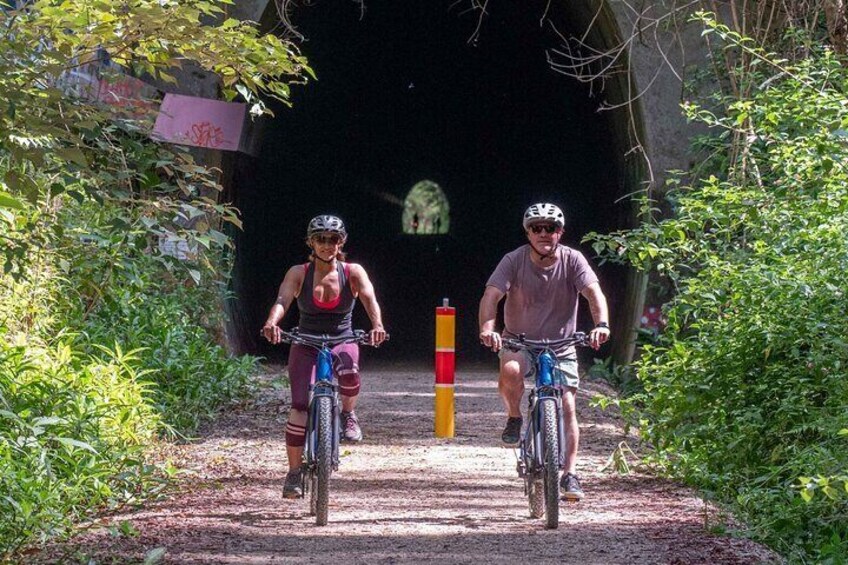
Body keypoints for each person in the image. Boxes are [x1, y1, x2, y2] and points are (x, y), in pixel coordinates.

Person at [478, 202, 610, 501]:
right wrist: (488, 329)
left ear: (559, 232)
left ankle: (570, 474)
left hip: (561, 344)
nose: (544, 233)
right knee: (511, 371)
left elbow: (593, 293)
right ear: (528, 233)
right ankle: (514, 417)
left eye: (550, 228)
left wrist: (601, 324)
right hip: (519, 340)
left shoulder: (573, 260)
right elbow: (492, 296)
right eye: (536, 228)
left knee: (567, 405)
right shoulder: (513, 260)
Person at [262, 214, 387, 498]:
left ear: (341, 242)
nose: (326, 245)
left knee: (350, 375)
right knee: (298, 407)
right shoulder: (299, 273)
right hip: (305, 340)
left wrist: (377, 326)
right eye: (320, 239)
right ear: (311, 242)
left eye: (332, 239)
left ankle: (347, 413)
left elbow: (369, 298)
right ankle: (293, 473)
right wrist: (272, 323)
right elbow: (283, 300)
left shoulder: (352, 272)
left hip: (343, 338)